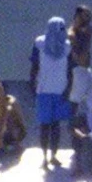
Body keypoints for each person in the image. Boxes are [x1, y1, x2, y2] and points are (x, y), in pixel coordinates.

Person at [31, 16, 75, 171]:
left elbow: (70, 70)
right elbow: (34, 66)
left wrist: (69, 89)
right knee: (45, 126)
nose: (62, 31)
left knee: (56, 126)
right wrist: (32, 85)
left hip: (60, 91)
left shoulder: (67, 46)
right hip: (43, 90)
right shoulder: (39, 43)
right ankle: (44, 157)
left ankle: (53, 155)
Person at [68, 6, 92, 111]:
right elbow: (80, 59)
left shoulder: (84, 33)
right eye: (86, 16)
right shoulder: (72, 35)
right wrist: (87, 38)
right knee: (74, 102)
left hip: (86, 69)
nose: (89, 20)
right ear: (78, 17)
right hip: (77, 70)